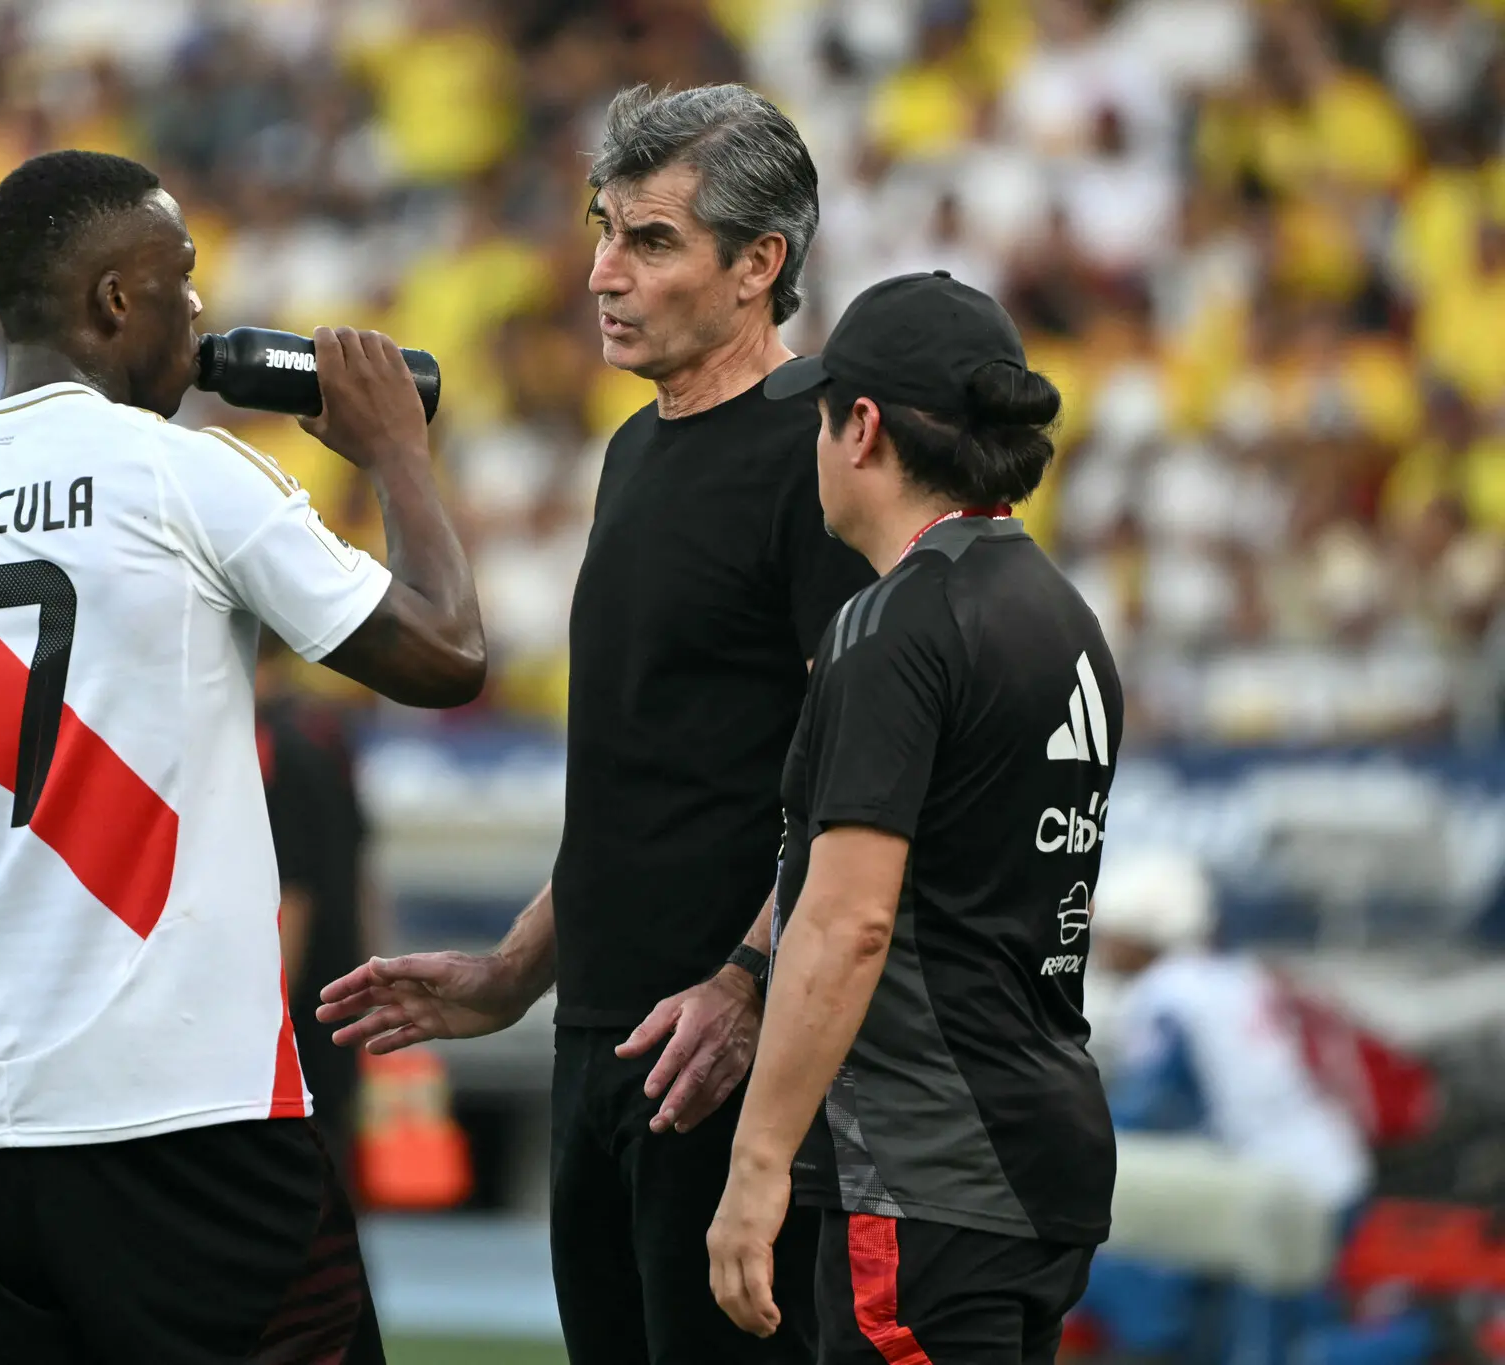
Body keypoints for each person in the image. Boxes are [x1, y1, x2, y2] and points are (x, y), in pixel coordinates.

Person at [0, 149, 484, 1365]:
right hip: (189, 1124)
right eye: (181, 281)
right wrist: (394, 453)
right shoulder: (188, 480)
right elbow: (446, 654)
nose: (201, 313)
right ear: (115, 302)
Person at [319, 84, 874, 1363]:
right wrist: (516, 972)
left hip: (726, 1064)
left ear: (758, 265)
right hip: (602, 1044)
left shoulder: (820, 456)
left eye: (650, 241)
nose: (600, 273)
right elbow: (648, 783)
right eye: (600, 229)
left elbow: (861, 779)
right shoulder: (633, 454)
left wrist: (745, 986)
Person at [705, 271, 1120, 1365]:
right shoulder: (1061, 614)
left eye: (817, 415)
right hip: (1036, 1151)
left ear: (863, 428)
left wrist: (755, 1169)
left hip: (928, 1168)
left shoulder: (891, 625)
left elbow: (847, 926)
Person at [1081, 846, 1371, 1365]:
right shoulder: (1230, 974)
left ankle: (1426, 1336)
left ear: (1143, 932)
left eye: (1114, 929)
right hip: (1324, 1168)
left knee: (1268, 1350)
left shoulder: (1169, 993)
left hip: (1282, 1188)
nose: (1101, 942)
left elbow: (1151, 1107)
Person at [257, 635, 373, 1187]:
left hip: (296, 1020)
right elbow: (363, 869)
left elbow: (291, 895)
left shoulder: (266, 746)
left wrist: (267, 1027)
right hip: (339, 999)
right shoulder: (325, 732)